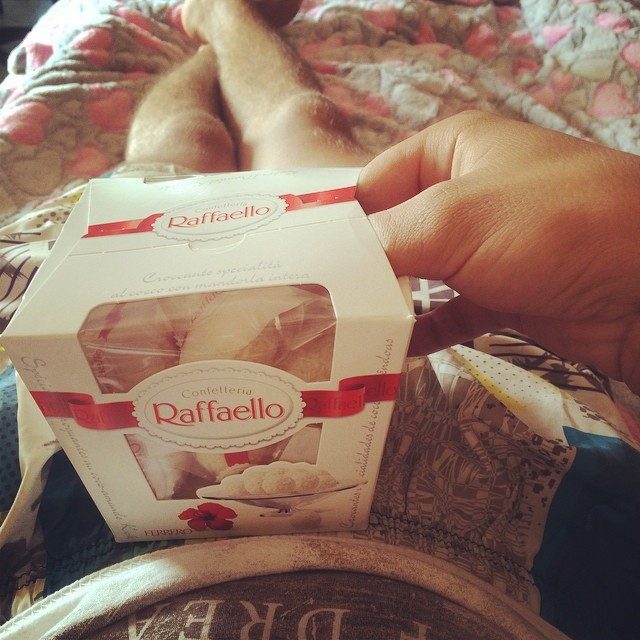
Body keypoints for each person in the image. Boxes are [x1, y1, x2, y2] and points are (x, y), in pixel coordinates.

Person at [127, 0, 640, 396]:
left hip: (464, 331)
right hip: (504, 348)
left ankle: (220, 26)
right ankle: (220, 25)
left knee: (192, 140)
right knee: (283, 123)